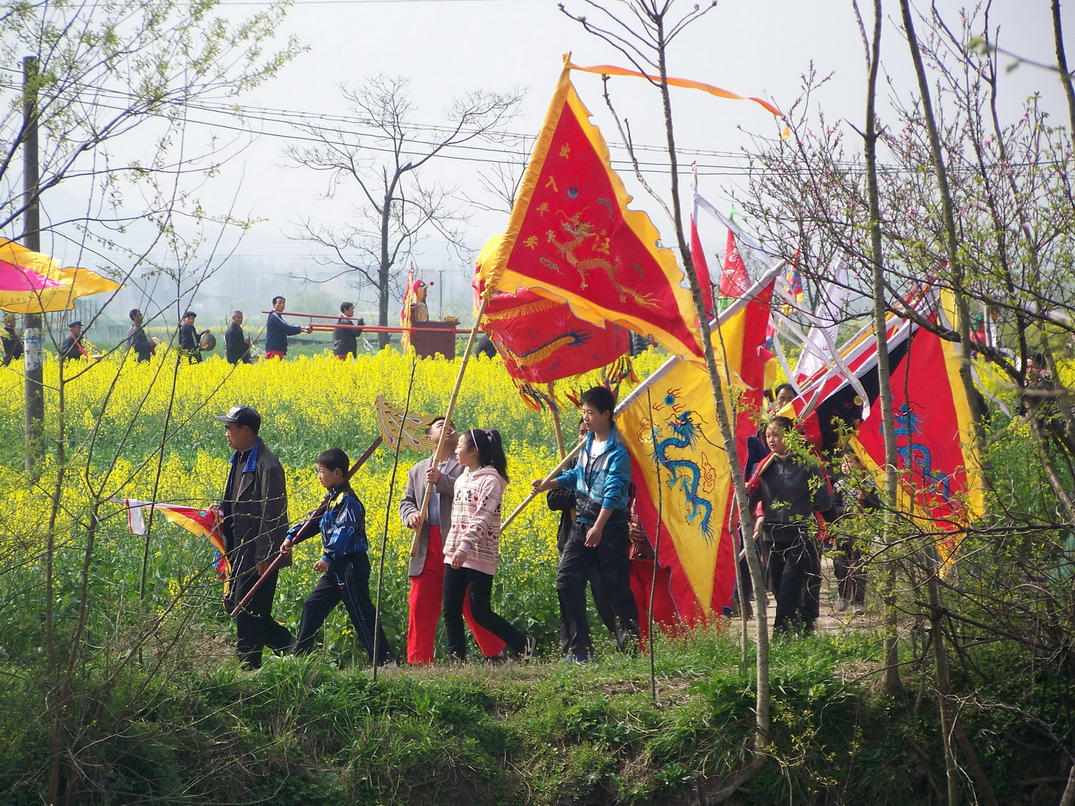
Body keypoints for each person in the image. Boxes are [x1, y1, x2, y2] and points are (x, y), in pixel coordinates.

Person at [533, 386, 639, 662]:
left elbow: (615, 490)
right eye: (584, 412)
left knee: (615, 588)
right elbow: (578, 475)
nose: (586, 418)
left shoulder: (617, 451)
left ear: (606, 414)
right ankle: (580, 648)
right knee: (566, 580)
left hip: (610, 526)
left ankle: (631, 649)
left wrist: (599, 526)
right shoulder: (588, 445)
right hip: (582, 523)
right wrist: (549, 484)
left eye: (591, 413)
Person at [399, 418, 506, 665]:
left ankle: (494, 652)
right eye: (439, 425)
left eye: (451, 425)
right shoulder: (417, 470)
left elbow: (465, 490)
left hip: (456, 542)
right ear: (429, 438)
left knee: (467, 601)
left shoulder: (465, 467)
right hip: (427, 543)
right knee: (420, 602)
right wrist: (411, 515)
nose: (447, 427)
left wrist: (442, 480)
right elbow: (406, 501)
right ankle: (419, 661)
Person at [282, 448, 396, 666]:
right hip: (336, 565)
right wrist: (291, 537)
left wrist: (328, 555)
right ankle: (299, 656)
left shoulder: (348, 501)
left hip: (350, 565)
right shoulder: (331, 499)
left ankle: (384, 662)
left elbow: (344, 529)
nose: (318, 476)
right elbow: (313, 522)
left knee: (360, 612)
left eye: (321, 471)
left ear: (336, 473)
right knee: (312, 605)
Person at [442, 428, 535, 663]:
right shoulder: (463, 477)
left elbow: (482, 516)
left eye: (460, 447)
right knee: (450, 608)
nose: (456, 451)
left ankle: (522, 643)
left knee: (480, 611)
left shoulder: (492, 479)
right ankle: (456, 660)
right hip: (454, 550)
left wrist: (465, 546)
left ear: (473, 451)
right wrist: (455, 546)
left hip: (478, 553)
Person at [215, 405, 294, 669]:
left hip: (258, 555)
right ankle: (294, 648)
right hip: (238, 551)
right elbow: (233, 500)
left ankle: (248, 668)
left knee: (248, 613)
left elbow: (274, 515)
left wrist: (265, 555)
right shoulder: (240, 458)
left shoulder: (267, 465)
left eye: (230, 428)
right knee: (236, 605)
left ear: (245, 430)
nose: (226, 434)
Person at [749, 416, 832, 635]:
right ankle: (805, 625)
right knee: (777, 586)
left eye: (776, 434)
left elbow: (825, 501)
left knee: (790, 584)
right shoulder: (763, 467)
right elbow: (752, 497)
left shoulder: (807, 465)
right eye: (768, 436)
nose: (771, 440)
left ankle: (780, 633)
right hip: (772, 535)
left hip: (800, 533)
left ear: (791, 436)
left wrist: (806, 504)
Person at [546, 418, 618, 653]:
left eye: (587, 431)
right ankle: (574, 649)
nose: (583, 436)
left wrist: (579, 493)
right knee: (568, 593)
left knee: (606, 597)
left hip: (600, 541)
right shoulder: (571, 464)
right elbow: (552, 499)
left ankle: (625, 643)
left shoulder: (609, 462)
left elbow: (607, 497)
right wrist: (581, 492)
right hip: (570, 539)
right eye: (580, 432)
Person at [828, 450, 880, 615]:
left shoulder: (868, 485)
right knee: (841, 564)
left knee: (859, 566)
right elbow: (833, 507)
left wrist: (866, 500)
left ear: (859, 464)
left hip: (862, 531)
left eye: (849, 462)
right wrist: (850, 509)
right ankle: (843, 594)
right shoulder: (839, 485)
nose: (845, 466)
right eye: (843, 462)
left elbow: (875, 507)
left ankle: (858, 600)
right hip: (843, 529)